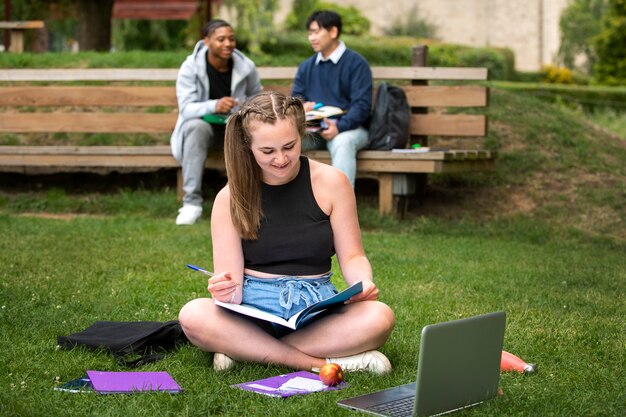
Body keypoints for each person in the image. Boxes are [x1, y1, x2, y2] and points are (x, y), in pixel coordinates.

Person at [178, 91, 395, 373]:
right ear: (248, 146)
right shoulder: (228, 197)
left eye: (289, 146)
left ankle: (246, 350)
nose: (280, 159)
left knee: (380, 317)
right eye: (267, 151)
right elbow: (231, 290)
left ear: (302, 135)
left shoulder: (332, 182)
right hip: (253, 310)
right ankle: (321, 364)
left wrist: (362, 283)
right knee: (194, 315)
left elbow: (353, 256)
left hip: (316, 309)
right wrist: (224, 288)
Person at [171, 19, 262, 225]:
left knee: (251, 132)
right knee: (196, 127)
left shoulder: (246, 67)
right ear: (206, 42)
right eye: (221, 39)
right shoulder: (190, 67)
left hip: (235, 128)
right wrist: (214, 106)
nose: (228, 43)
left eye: (231, 38)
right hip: (204, 133)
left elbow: (258, 99)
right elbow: (186, 108)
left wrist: (242, 108)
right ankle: (191, 203)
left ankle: (248, 203)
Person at [291, 10, 372, 187]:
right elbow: (295, 99)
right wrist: (301, 109)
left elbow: (362, 106)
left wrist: (339, 126)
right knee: (285, 140)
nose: (311, 37)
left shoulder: (356, 64)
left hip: (349, 129)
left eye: (316, 32)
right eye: (309, 33)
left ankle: (342, 207)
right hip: (314, 129)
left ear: (333, 32)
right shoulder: (306, 67)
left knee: (343, 143)